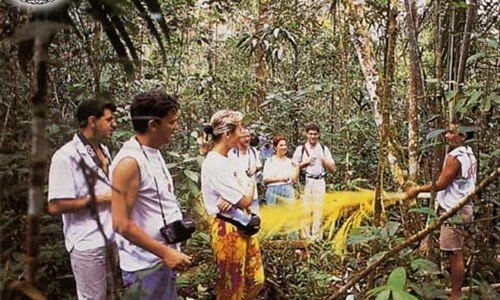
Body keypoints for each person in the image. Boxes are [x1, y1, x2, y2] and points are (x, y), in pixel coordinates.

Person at [111, 92, 192, 300]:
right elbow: (120, 223)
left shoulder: (153, 152)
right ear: (152, 125)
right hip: (144, 268)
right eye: (171, 122)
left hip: (161, 262)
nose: (176, 127)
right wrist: (165, 253)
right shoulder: (129, 163)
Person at [47, 99, 117, 300]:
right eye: (109, 119)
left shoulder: (104, 151)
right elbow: (54, 205)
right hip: (87, 241)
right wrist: (99, 199)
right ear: (92, 121)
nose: (114, 124)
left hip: (111, 236)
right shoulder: (66, 156)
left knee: (113, 295)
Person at [406, 121, 477, 300]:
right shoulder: (470, 154)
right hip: (465, 207)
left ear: (463, 136)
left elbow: (441, 184)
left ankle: (455, 295)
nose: (446, 136)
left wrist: (417, 189)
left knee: (454, 253)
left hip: (454, 210)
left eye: (451, 133)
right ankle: (456, 291)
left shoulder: (454, 157)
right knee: (454, 251)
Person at [201, 110, 264, 299]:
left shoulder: (232, 159)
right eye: (239, 129)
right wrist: (246, 188)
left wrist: (245, 186)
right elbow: (245, 199)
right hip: (227, 228)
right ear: (227, 134)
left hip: (244, 223)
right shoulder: (214, 163)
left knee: (256, 280)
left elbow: (246, 188)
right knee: (232, 286)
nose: (242, 133)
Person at [292, 124, 335, 240]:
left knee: (318, 209)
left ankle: (317, 237)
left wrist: (323, 159)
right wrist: (305, 162)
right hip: (306, 181)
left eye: (315, 134)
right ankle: (305, 237)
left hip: (320, 181)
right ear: (306, 134)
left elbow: (333, 168)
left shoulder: (323, 149)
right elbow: (293, 167)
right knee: (306, 209)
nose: (313, 136)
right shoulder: (300, 149)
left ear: (319, 135)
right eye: (310, 134)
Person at [228, 127, 262, 215]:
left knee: (255, 222)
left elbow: (259, 165)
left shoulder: (253, 151)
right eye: (244, 136)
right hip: (237, 196)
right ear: (238, 137)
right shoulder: (231, 153)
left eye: (248, 136)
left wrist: (256, 168)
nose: (247, 139)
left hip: (252, 195)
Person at [262, 135, 299, 205]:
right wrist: (280, 179)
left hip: (288, 190)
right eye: (281, 145)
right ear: (275, 147)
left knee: (289, 214)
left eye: (285, 145)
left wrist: (297, 168)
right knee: (273, 214)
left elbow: (294, 180)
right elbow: (265, 180)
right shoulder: (270, 161)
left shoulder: (290, 162)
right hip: (273, 191)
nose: (284, 147)